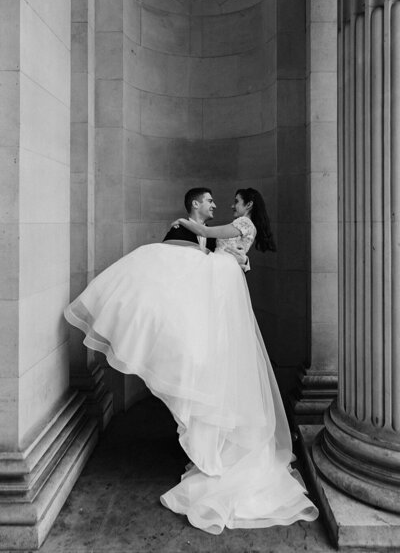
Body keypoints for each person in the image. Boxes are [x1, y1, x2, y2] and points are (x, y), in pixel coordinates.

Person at [64, 186, 318, 534]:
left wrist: (189, 223)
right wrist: (240, 259)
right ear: (198, 202)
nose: (226, 205)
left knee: (221, 345)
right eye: (214, 201)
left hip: (222, 282)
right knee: (218, 348)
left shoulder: (236, 225)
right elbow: (230, 257)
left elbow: (212, 236)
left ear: (249, 205)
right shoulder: (227, 230)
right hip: (222, 281)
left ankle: (219, 438)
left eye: (234, 202)